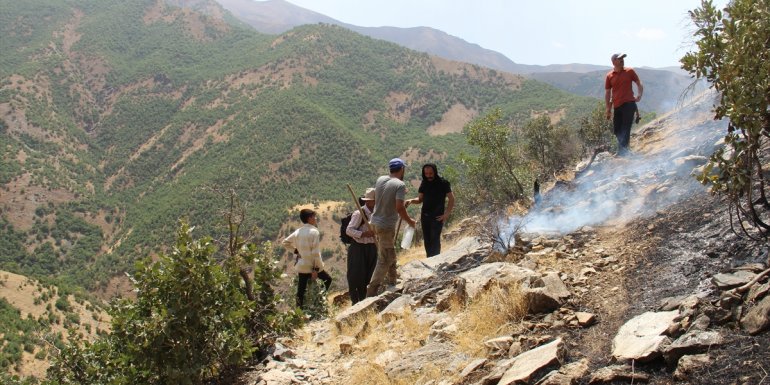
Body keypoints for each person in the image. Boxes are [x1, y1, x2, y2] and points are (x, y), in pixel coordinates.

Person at [366, 158, 417, 297]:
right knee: (384, 259)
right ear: (402, 169)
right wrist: (410, 221)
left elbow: (385, 199)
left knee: (390, 253)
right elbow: (399, 208)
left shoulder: (381, 179)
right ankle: (371, 290)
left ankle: (393, 281)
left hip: (375, 222)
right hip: (386, 226)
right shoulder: (400, 184)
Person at [282, 208, 332, 309]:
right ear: (309, 218)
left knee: (301, 291)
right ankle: (319, 302)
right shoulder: (314, 232)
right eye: (314, 216)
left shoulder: (298, 231)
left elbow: (285, 243)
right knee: (327, 280)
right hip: (312, 266)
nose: (315, 218)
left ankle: (298, 313)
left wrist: (296, 251)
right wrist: (315, 270)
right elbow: (315, 253)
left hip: (302, 266)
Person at [405, 163, 455, 257]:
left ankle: (435, 261)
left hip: (437, 217)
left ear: (435, 172)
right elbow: (420, 199)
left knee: (435, 240)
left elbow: (451, 199)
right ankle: (430, 259)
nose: (429, 176)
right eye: (426, 174)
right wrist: (411, 200)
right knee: (427, 241)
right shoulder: (424, 183)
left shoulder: (443, 183)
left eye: (430, 173)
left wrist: (446, 214)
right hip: (425, 217)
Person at [605, 53, 643, 155]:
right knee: (617, 130)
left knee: (626, 127)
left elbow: (638, 82)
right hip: (617, 106)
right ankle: (625, 149)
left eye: (623, 58)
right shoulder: (609, 76)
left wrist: (639, 94)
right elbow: (608, 92)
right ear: (613, 62)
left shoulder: (629, 71)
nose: (622, 60)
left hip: (629, 104)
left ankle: (623, 152)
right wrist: (608, 109)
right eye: (619, 59)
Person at [345, 188, 377, 304]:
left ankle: (368, 300)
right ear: (368, 201)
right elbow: (349, 230)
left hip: (373, 247)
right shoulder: (359, 213)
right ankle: (356, 302)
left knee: (371, 274)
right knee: (357, 276)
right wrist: (363, 234)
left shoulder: (378, 212)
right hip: (358, 248)